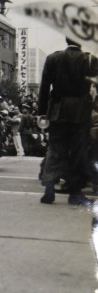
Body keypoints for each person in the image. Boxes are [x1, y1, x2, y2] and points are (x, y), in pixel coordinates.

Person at [39, 38, 98, 206]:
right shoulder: (90, 60)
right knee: (78, 151)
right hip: (81, 112)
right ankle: (75, 193)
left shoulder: (53, 58)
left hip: (58, 110)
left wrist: (42, 113)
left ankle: (49, 188)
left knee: (55, 149)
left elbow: (44, 87)